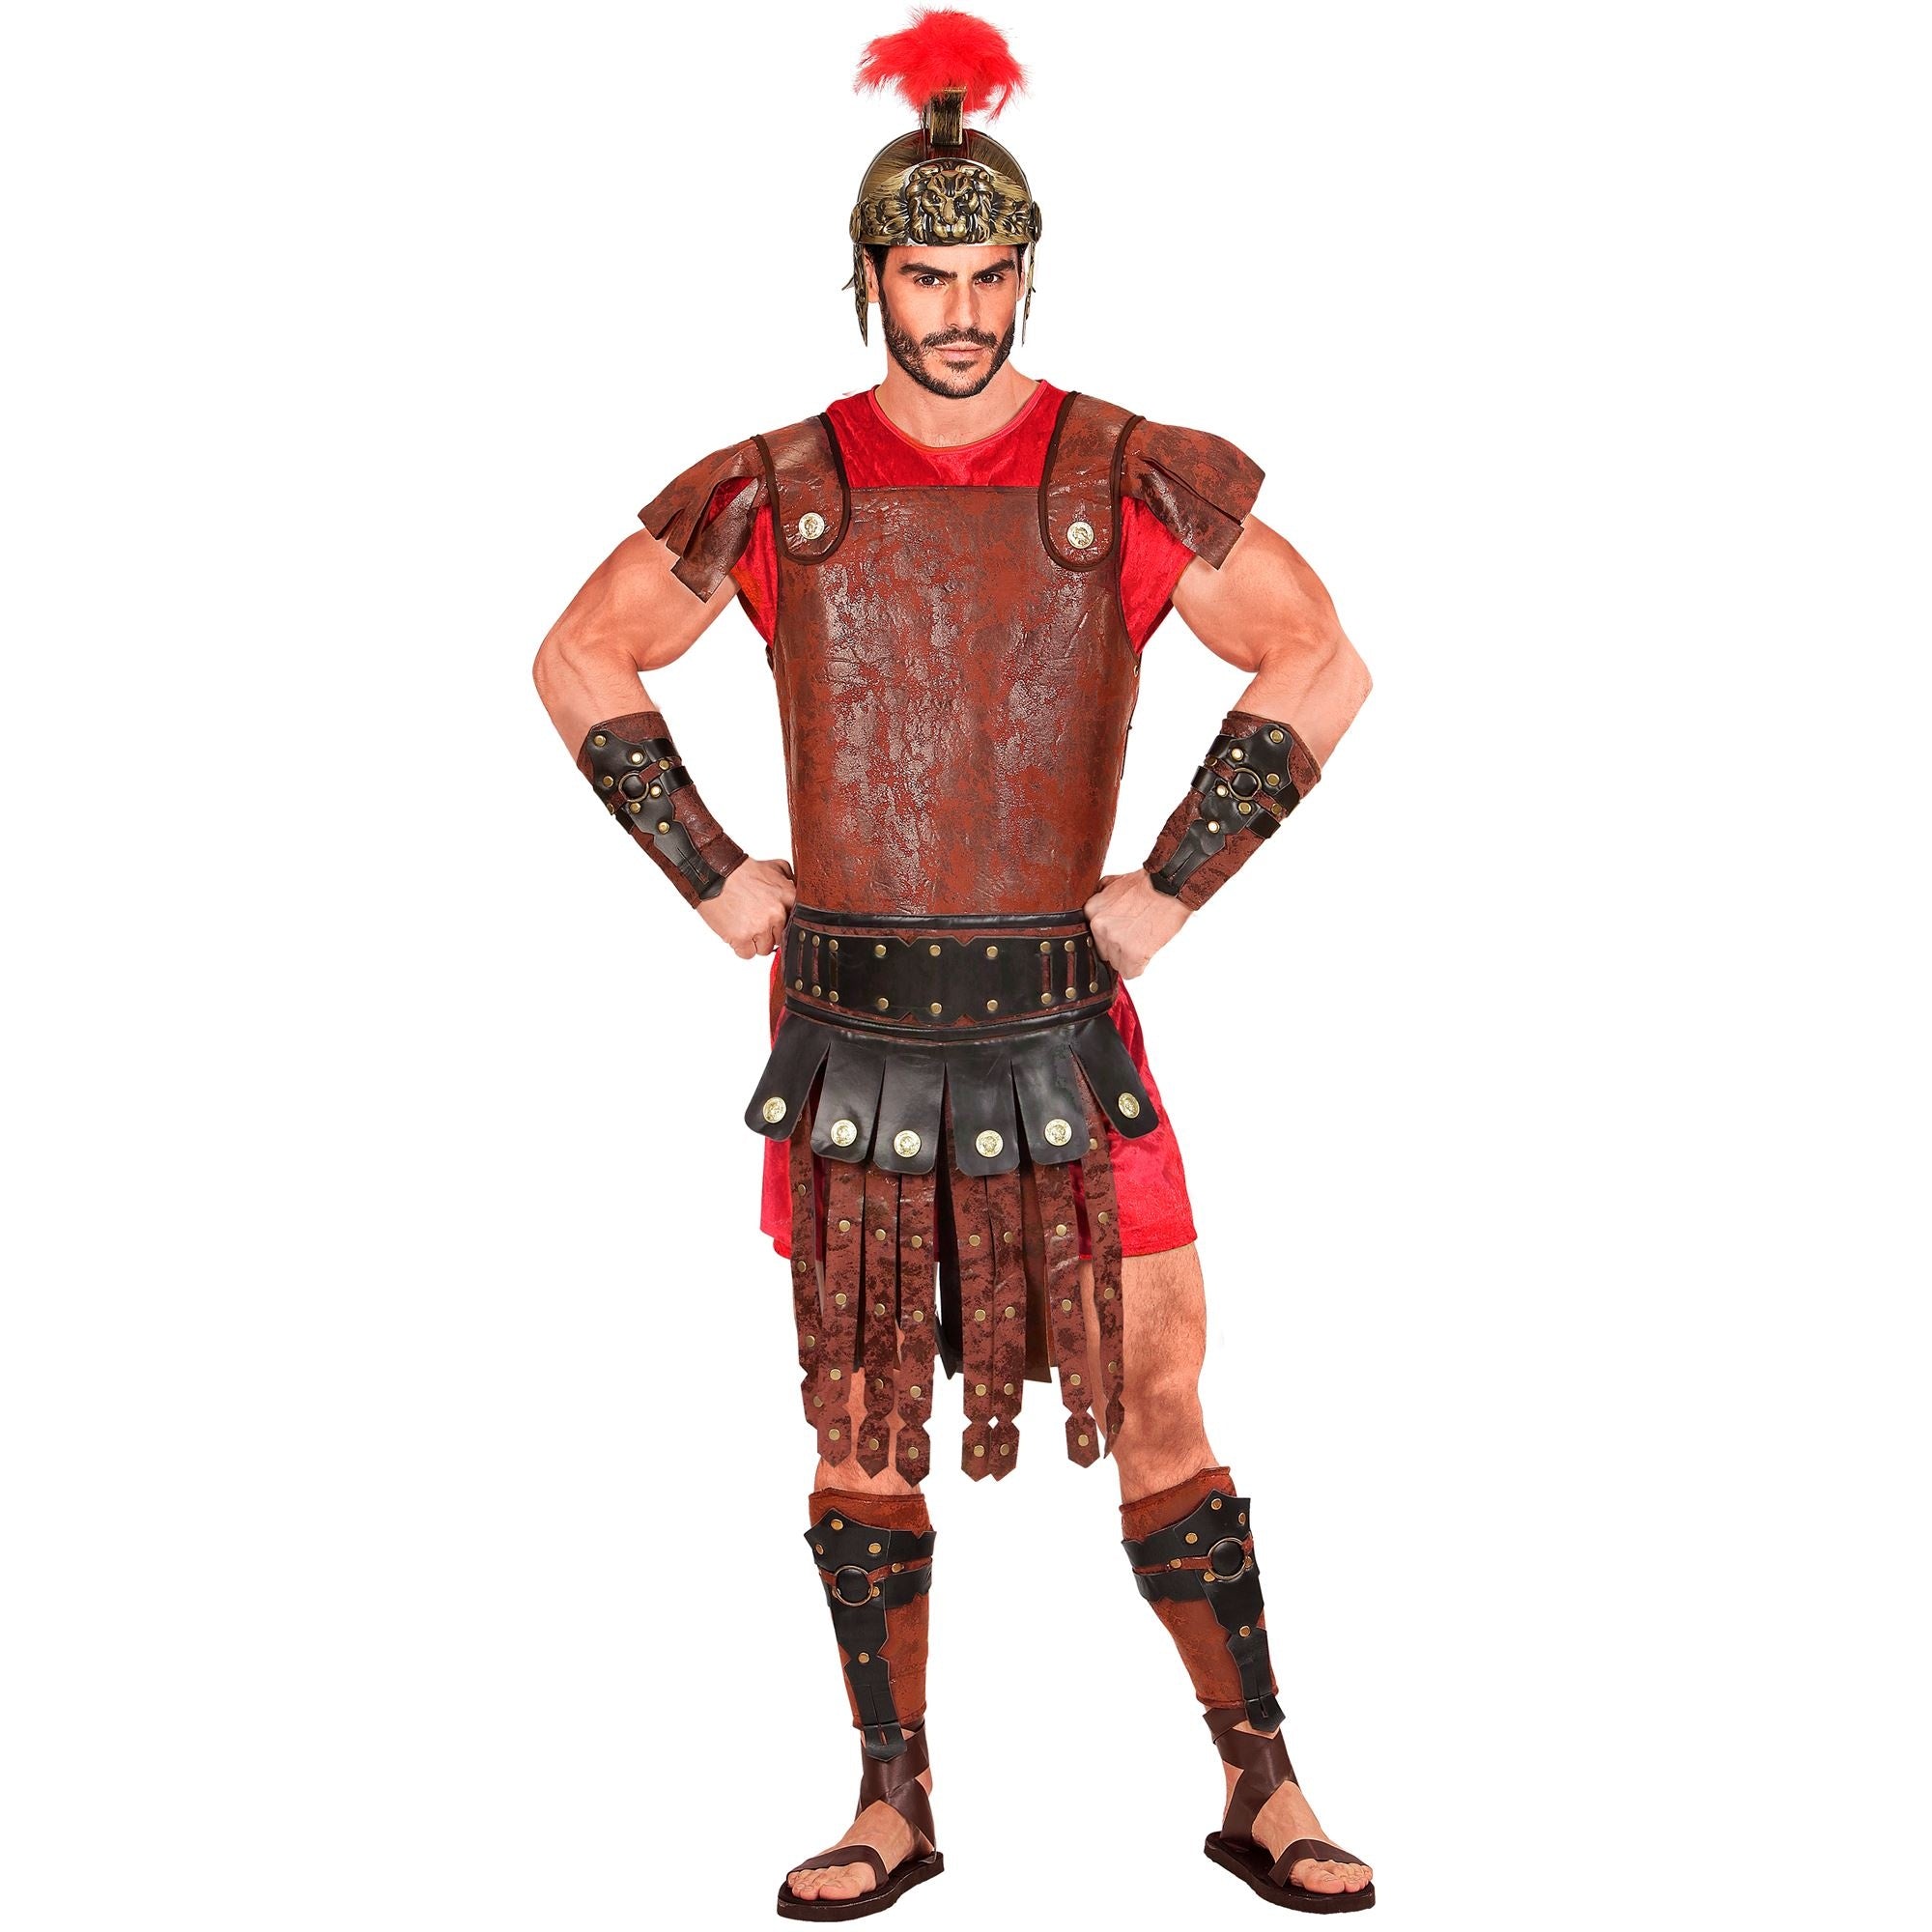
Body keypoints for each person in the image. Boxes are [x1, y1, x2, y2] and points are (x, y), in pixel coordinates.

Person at [532, 11, 1376, 1918]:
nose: (964, 313)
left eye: (993, 275)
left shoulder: (1122, 474)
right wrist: (714, 880)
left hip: (1070, 1030)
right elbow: (580, 655)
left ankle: (1263, 1783)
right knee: (857, 1420)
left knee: (1162, 1387)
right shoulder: (779, 485)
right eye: (929, 278)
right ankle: (890, 1801)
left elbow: (1320, 654)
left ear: (1027, 273)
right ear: (868, 277)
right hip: (845, 1039)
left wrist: (1167, 888)